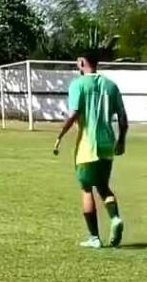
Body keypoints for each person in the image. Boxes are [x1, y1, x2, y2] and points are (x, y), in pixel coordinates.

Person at [53, 49, 128, 249]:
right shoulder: (111, 86)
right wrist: (121, 141)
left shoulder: (78, 84)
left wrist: (60, 136)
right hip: (107, 145)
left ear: (82, 62)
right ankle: (115, 219)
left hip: (87, 146)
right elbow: (122, 118)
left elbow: (74, 114)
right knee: (103, 186)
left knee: (87, 189)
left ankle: (94, 238)